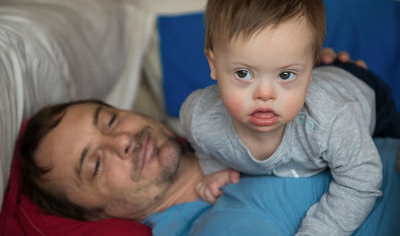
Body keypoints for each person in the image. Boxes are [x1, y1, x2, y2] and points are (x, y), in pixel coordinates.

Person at [179, 0, 400, 235]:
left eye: (285, 75)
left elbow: (362, 181)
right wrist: (214, 171)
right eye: (243, 73)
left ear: (310, 69)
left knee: (389, 157)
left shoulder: (332, 120)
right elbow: (204, 147)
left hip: (361, 92)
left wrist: (319, 230)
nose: (264, 94)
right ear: (213, 64)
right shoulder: (200, 117)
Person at [18, 99, 400, 236]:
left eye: (111, 121)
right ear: (93, 213)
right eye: (96, 164)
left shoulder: (226, 117)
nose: (122, 141)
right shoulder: (217, 226)